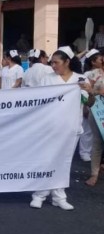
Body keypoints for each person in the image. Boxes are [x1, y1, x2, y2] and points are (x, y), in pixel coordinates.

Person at [31, 46, 93, 211]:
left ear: (67, 62)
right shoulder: (47, 79)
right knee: (46, 160)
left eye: (56, 63)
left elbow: (89, 104)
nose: (53, 66)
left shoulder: (80, 80)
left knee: (64, 163)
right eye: (51, 63)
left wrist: (90, 92)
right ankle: (39, 195)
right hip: (50, 128)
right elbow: (38, 102)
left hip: (72, 128)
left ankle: (59, 197)